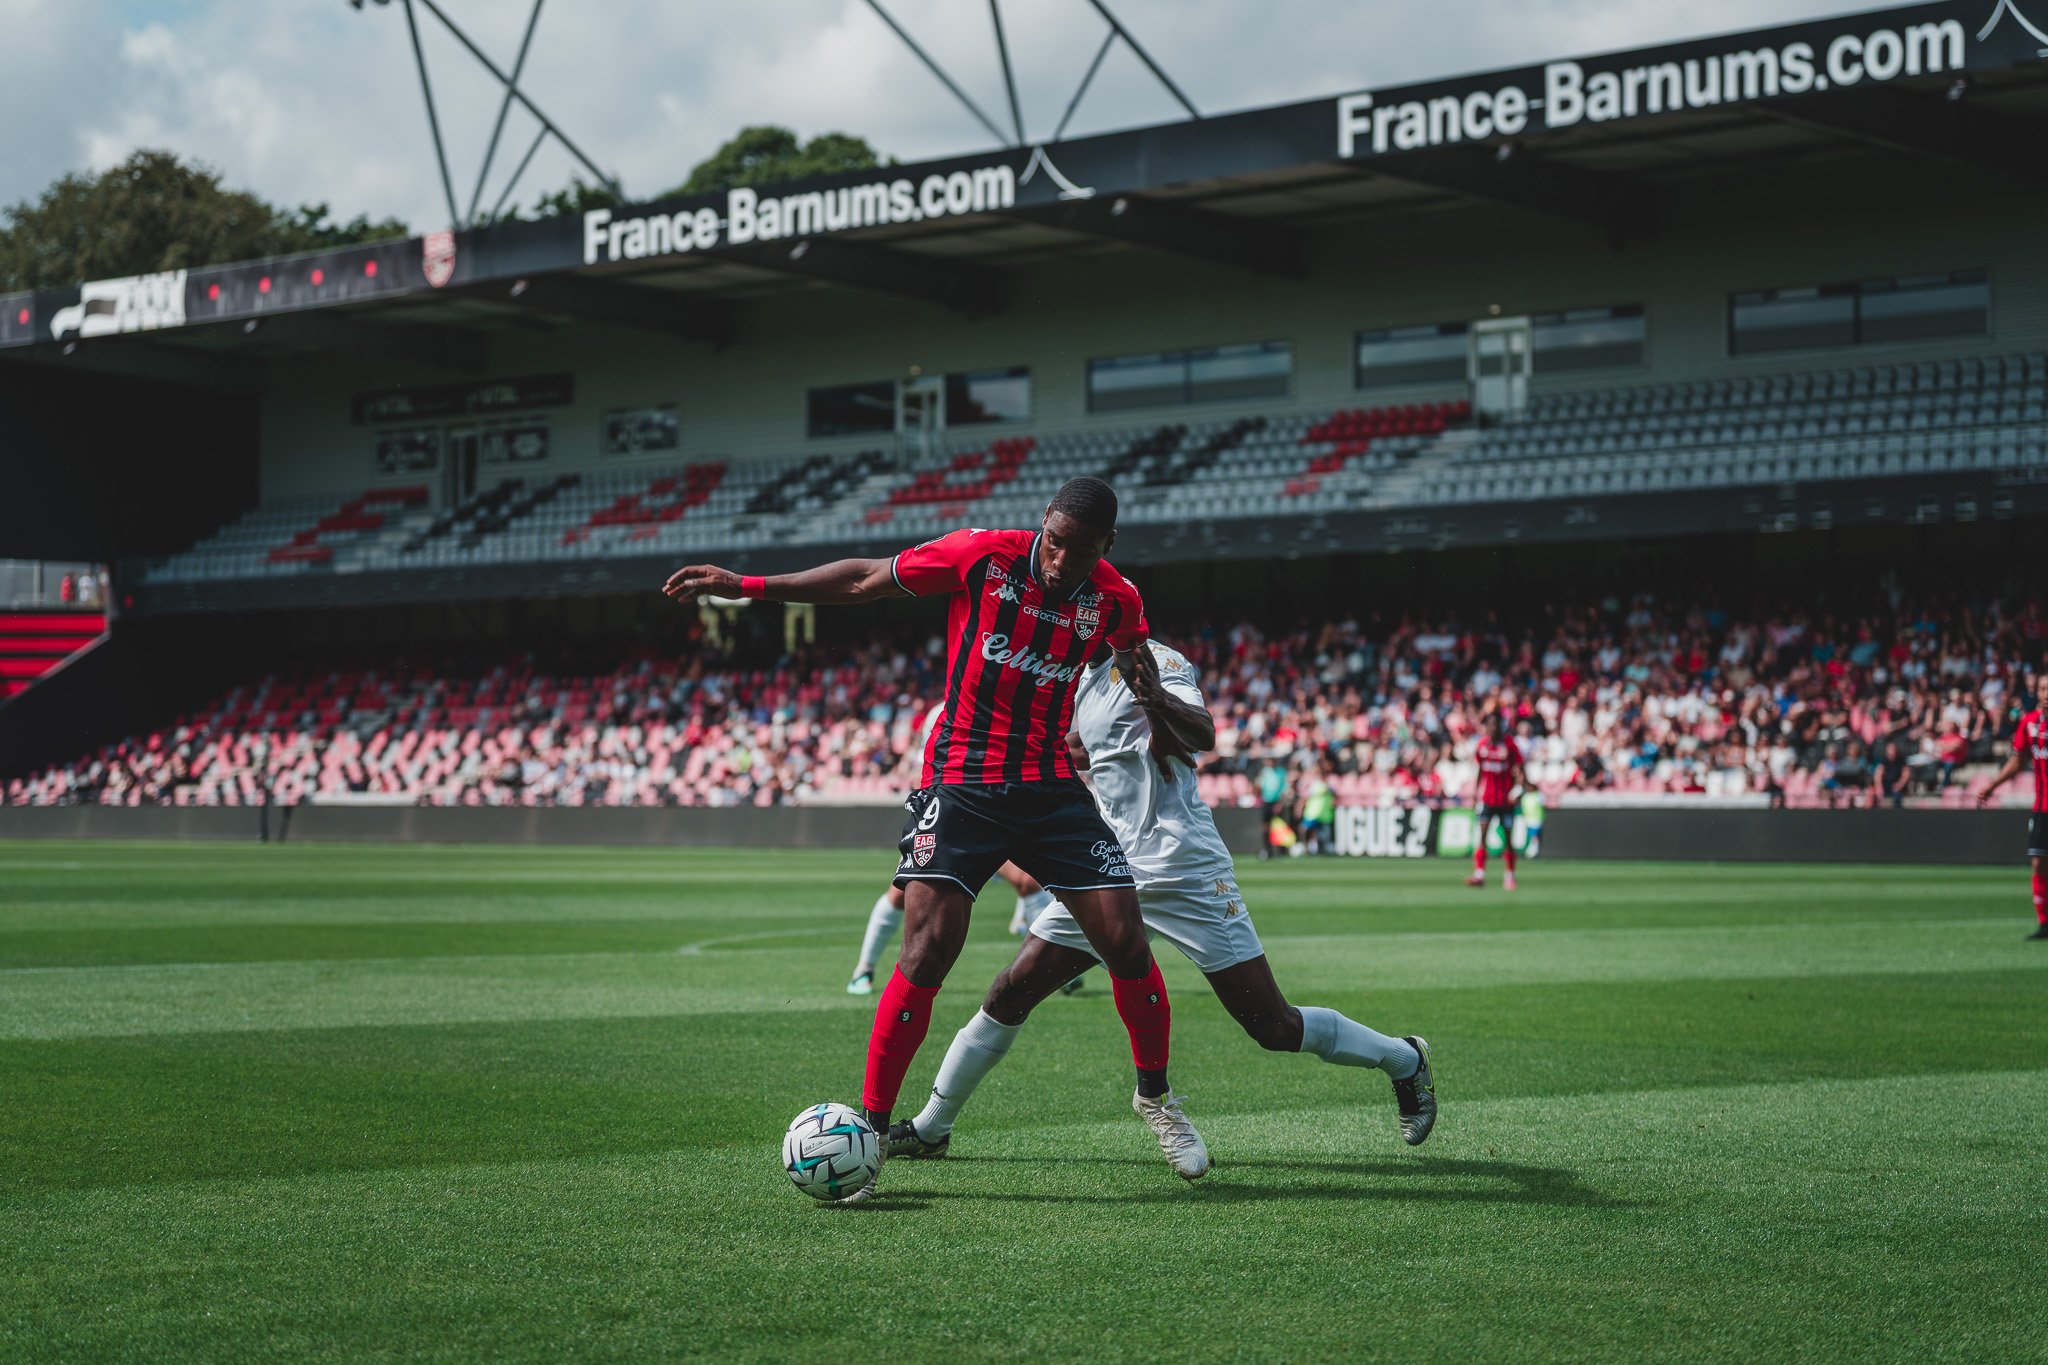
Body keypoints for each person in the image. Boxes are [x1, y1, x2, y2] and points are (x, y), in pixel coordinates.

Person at [664, 477, 1206, 1197]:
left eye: (1079, 551)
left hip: (1049, 786)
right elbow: (862, 580)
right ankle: (871, 1129)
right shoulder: (982, 556)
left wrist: (1165, 716)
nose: (1059, 561)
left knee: (1127, 941)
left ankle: (1155, 1098)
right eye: (1053, 542)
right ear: (1041, 524)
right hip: (962, 782)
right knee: (928, 949)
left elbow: (1136, 663)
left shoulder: (1116, 598)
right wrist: (748, 586)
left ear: (1107, 545)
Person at [889, 640, 1435, 1163]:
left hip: (1184, 869)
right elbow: (1082, 748)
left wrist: (1154, 699)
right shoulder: (1077, 678)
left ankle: (1403, 1058)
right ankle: (932, 1127)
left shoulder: (1157, 661)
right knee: (1012, 990)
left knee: (1273, 1026)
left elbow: (1203, 733)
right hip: (1108, 868)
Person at [846, 701, 1053, 994]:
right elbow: (927, 769)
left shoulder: (1006, 704)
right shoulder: (942, 712)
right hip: (950, 820)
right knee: (901, 893)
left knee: (1028, 882)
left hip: (995, 818)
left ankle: (1050, 969)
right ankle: (863, 970)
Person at [1975, 672, 2048, 941]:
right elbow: (2018, 761)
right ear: (2037, 692)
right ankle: (2045, 923)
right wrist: (1992, 785)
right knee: (2039, 862)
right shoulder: (2030, 723)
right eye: (2043, 688)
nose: (2047, 693)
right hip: (2042, 807)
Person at [1467, 708, 1526, 890]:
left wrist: (1517, 789)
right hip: (1487, 799)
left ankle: (1510, 876)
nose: (1492, 728)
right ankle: (1479, 874)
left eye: (1495, 725)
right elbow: (1479, 770)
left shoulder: (1509, 745)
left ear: (1500, 726)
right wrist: (1475, 794)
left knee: (1508, 840)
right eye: (1489, 725)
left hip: (1506, 801)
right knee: (1482, 837)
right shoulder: (1482, 745)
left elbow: (1519, 770)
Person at [1255, 754, 1289, 858]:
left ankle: (1281, 851)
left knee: (1279, 827)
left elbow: (1285, 789)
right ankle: (1267, 850)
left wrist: (1280, 804)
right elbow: (1258, 787)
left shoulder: (1281, 772)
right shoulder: (1264, 772)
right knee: (1265, 827)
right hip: (1266, 802)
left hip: (1277, 802)